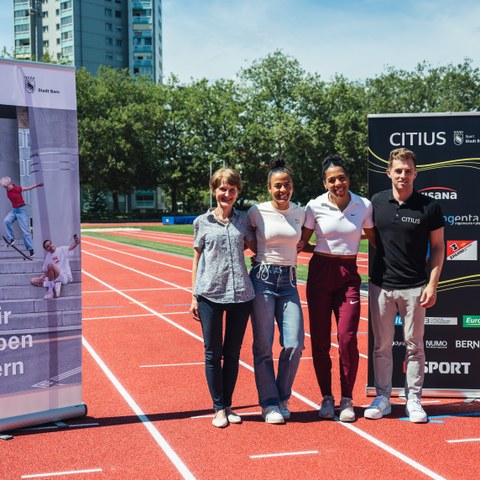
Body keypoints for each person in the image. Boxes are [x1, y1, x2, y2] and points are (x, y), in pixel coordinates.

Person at [364, 147, 444, 423]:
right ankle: (383, 397)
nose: (403, 175)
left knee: (415, 346)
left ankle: (413, 400)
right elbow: (373, 238)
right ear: (389, 173)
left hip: (415, 287)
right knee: (382, 346)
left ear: (416, 173)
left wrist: (432, 284)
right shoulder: (376, 202)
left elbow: (437, 247)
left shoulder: (430, 206)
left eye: (409, 171)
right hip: (381, 286)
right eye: (398, 170)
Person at [301, 154, 375, 422]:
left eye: (341, 178)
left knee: (347, 339)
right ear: (325, 183)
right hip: (320, 273)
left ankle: (346, 399)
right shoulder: (314, 206)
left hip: (348, 275)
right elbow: (302, 243)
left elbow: (375, 241)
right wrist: (323, 250)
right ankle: (326, 398)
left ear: (348, 179)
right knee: (320, 341)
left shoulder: (363, 205)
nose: (338, 183)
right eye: (332, 180)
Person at [189, 168, 256, 428]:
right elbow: (196, 260)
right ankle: (218, 408)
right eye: (222, 189)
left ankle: (228, 404)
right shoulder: (201, 222)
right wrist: (194, 296)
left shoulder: (243, 221)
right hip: (210, 294)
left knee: (233, 352)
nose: (226, 194)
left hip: (241, 294)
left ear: (238, 192)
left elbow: (257, 248)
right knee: (212, 352)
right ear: (214, 191)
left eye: (232, 189)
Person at [248, 159, 305, 424]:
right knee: (263, 346)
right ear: (269, 188)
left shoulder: (301, 212)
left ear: (293, 186)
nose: (283, 190)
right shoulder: (256, 212)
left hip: (290, 281)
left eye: (287, 185)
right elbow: (245, 239)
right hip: (262, 278)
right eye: (277, 186)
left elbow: (305, 241)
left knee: (294, 344)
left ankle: (282, 396)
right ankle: (269, 404)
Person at [1, 176, 43, 256]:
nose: (5, 188)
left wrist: (37, 185)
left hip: (22, 210)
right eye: (4, 187)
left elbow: (28, 188)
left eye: (6, 186)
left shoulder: (17, 189)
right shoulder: (6, 187)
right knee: (6, 221)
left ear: (9, 184)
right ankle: (11, 239)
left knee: (25, 231)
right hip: (14, 210)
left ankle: (31, 250)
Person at [31, 234, 80, 300]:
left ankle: (50, 291)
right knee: (33, 280)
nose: (50, 246)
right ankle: (56, 283)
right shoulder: (48, 257)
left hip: (65, 277)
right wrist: (42, 276)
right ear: (46, 249)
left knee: (50, 266)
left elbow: (71, 246)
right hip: (54, 277)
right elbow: (46, 271)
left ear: (52, 243)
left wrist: (76, 242)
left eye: (50, 244)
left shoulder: (62, 249)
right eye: (48, 246)